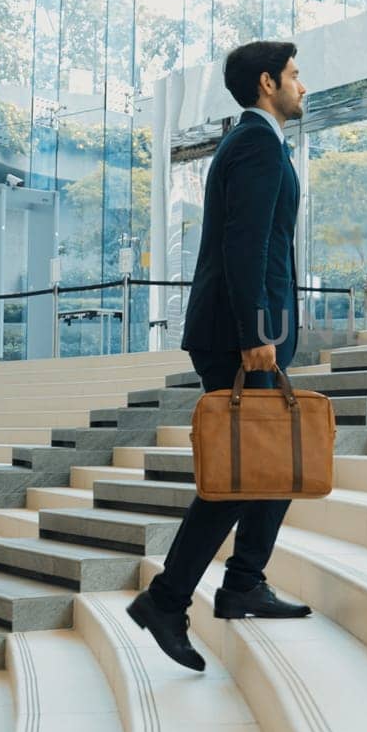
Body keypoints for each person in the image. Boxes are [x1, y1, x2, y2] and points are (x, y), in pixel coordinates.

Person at [127, 40, 311, 672]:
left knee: (277, 459)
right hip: (244, 335)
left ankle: (243, 584)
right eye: (293, 75)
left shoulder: (251, 141)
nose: (301, 85)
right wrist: (255, 332)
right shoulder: (258, 145)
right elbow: (246, 246)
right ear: (267, 83)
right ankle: (167, 598)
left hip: (249, 330)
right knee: (242, 472)